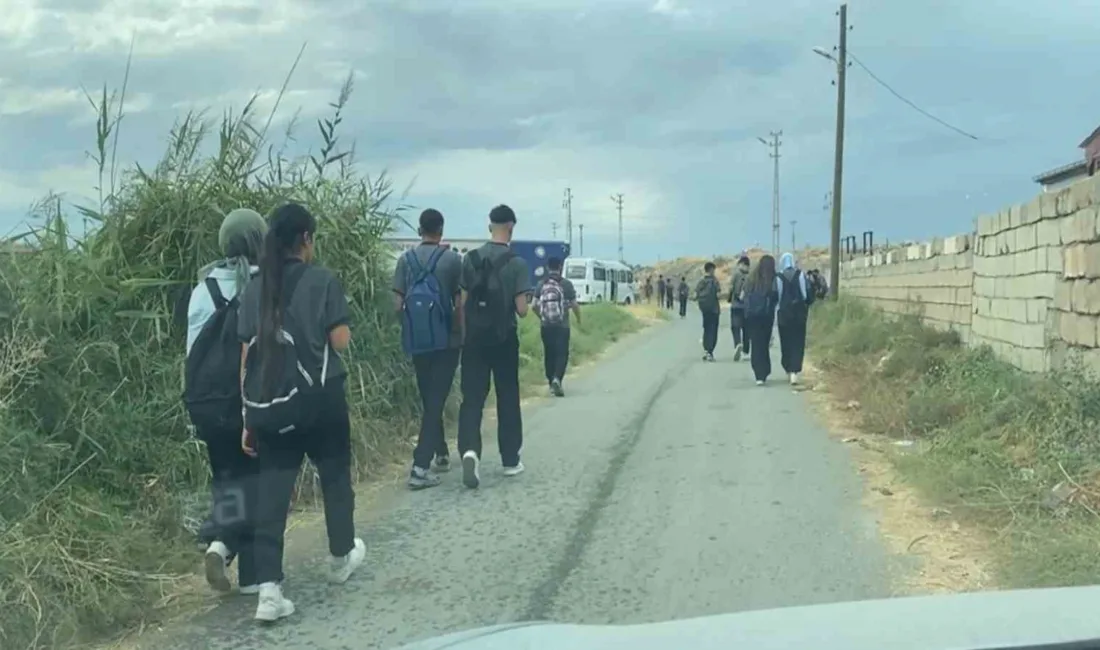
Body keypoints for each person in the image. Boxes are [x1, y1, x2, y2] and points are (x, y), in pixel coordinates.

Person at [238, 203, 365, 622]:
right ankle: (340, 555)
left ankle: (269, 591)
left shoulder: (255, 288)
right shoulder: (323, 280)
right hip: (320, 400)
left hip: (270, 402)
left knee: (273, 493)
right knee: (334, 479)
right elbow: (341, 340)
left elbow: (246, 356)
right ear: (306, 239)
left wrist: (248, 416)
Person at [185, 208, 265, 595]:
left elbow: (192, 352)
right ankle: (251, 574)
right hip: (251, 400)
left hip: (208, 402)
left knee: (228, 477)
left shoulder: (203, 290)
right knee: (259, 479)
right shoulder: (266, 285)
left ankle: (222, 543)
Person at [457, 205, 532, 489]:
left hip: (474, 339)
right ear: (511, 227)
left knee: (472, 398)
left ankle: (469, 451)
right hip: (504, 338)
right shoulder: (517, 263)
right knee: (507, 396)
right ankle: (510, 460)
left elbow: (462, 302)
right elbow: (522, 310)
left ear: (490, 226)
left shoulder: (471, 259)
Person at [392, 208, 464, 490]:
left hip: (417, 340)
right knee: (437, 399)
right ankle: (420, 466)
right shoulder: (452, 260)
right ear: (441, 230)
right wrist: (458, 333)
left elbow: (397, 304)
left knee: (429, 397)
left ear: (419, 230)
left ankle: (441, 452)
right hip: (446, 341)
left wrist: (409, 327)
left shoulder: (405, 261)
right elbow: (460, 304)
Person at [534, 256, 581, 397]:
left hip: (546, 325)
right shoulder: (566, 284)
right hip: (562, 326)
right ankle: (557, 379)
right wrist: (579, 319)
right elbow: (574, 305)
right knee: (562, 353)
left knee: (549, 353)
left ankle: (551, 382)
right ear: (560, 267)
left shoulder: (541, 284)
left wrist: (542, 316)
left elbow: (534, 306)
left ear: (548, 268)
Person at [741, 254, 779, 385]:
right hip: (767, 316)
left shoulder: (751, 278)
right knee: (764, 343)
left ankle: (758, 375)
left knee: (756, 344)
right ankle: (764, 370)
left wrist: (747, 312)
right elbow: (775, 297)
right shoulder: (773, 279)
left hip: (752, 316)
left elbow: (745, 296)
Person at [776, 252, 814, 385]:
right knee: (798, 342)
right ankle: (795, 371)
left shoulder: (779, 277)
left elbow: (778, 297)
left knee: (785, 342)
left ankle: (788, 367)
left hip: (784, 315)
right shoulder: (801, 275)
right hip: (799, 314)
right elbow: (804, 294)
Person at [695, 262, 721, 362]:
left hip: (705, 310)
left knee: (706, 329)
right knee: (713, 330)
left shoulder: (701, 281)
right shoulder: (714, 281)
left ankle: (706, 350)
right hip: (714, 309)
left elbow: (696, 294)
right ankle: (710, 351)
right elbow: (718, 294)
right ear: (711, 270)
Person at [727, 255, 751, 361]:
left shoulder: (736, 275)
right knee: (747, 329)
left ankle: (737, 343)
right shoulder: (751, 276)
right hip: (747, 307)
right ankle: (746, 351)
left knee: (735, 327)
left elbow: (731, 288)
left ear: (741, 264)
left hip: (736, 306)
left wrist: (729, 298)